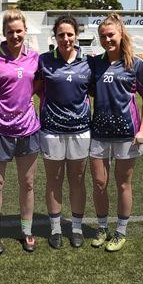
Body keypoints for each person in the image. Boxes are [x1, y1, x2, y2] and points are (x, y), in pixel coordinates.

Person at [89, 13, 143, 252]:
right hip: (99, 133)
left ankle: (121, 231)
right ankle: (103, 227)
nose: (107, 40)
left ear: (121, 34)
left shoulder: (135, 64)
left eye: (111, 35)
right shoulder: (95, 63)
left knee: (123, 184)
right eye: (103, 36)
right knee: (99, 183)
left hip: (128, 135)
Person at [0, 9, 40, 254]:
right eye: (10, 32)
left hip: (28, 128)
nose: (15, 35)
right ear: (3, 33)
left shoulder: (36, 57)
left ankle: (27, 230)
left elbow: (38, 84)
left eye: (19, 31)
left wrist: (25, 101)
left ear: (25, 31)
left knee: (27, 183)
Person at [36, 15, 93, 249]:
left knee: (77, 180)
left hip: (80, 130)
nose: (66, 39)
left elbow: (92, 91)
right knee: (54, 180)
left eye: (70, 34)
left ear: (76, 35)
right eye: (61, 34)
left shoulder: (89, 63)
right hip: (52, 130)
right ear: (55, 36)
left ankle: (77, 227)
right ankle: (56, 227)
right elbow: (38, 89)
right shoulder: (44, 60)